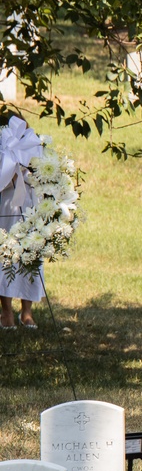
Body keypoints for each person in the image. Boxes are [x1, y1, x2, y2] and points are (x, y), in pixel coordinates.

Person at [0, 115, 44, 330]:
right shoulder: (3, 150)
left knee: (30, 255)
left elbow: (41, 177)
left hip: (29, 205)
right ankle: (6, 311)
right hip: (8, 206)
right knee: (6, 255)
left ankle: (26, 311)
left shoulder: (35, 148)